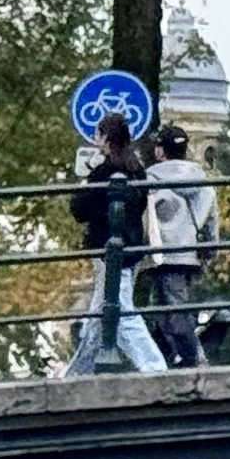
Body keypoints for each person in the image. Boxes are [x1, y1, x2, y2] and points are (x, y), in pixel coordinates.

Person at [68, 113, 165, 375]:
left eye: (98, 135)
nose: (95, 140)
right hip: (131, 249)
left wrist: (86, 183)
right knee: (101, 313)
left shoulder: (106, 172)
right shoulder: (137, 170)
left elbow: (79, 208)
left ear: (107, 138)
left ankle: (155, 368)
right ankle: (78, 374)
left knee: (118, 310)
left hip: (110, 252)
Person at [135, 123, 218, 364]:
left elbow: (144, 218)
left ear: (161, 151)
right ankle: (166, 359)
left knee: (172, 309)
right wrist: (210, 248)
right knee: (169, 306)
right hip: (191, 253)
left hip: (163, 253)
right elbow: (212, 217)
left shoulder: (150, 179)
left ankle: (193, 359)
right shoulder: (202, 180)